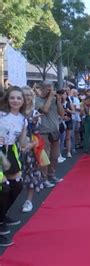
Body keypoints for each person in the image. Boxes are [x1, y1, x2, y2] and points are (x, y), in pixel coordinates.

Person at [0, 87, 31, 246]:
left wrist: (30, 144)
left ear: (23, 101)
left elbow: (22, 142)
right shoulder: (1, 115)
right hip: (0, 153)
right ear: (8, 99)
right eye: (13, 97)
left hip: (11, 152)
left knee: (17, 185)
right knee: (3, 187)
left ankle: (2, 215)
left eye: (19, 98)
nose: (16, 100)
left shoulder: (23, 119)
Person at [35, 81, 65, 184]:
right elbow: (45, 110)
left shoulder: (54, 99)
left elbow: (61, 113)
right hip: (44, 132)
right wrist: (49, 97)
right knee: (45, 157)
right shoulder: (37, 100)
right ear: (42, 89)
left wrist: (59, 101)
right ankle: (44, 179)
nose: (50, 90)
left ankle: (51, 175)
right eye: (48, 88)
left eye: (51, 88)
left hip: (55, 131)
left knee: (54, 156)